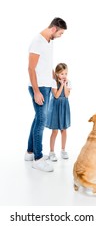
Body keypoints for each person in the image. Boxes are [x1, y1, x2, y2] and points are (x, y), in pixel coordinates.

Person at [25, 17, 67, 172]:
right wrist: (36, 91)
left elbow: (47, 64)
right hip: (39, 88)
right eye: (60, 33)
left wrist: (56, 80)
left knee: (38, 119)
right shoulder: (37, 42)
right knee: (42, 121)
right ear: (54, 29)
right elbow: (31, 68)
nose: (60, 36)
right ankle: (38, 158)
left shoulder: (50, 41)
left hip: (47, 86)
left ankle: (30, 152)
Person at [46, 63, 71, 161]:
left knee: (64, 130)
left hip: (64, 107)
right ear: (57, 74)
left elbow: (66, 94)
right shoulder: (53, 82)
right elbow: (56, 95)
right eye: (61, 74)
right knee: (55, 130)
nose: (64, 76)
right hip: (55, 107)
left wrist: (64, 85)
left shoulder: (68, 82)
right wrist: (61, 85)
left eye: (65, 73)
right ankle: (51, 152)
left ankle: (63, 150)